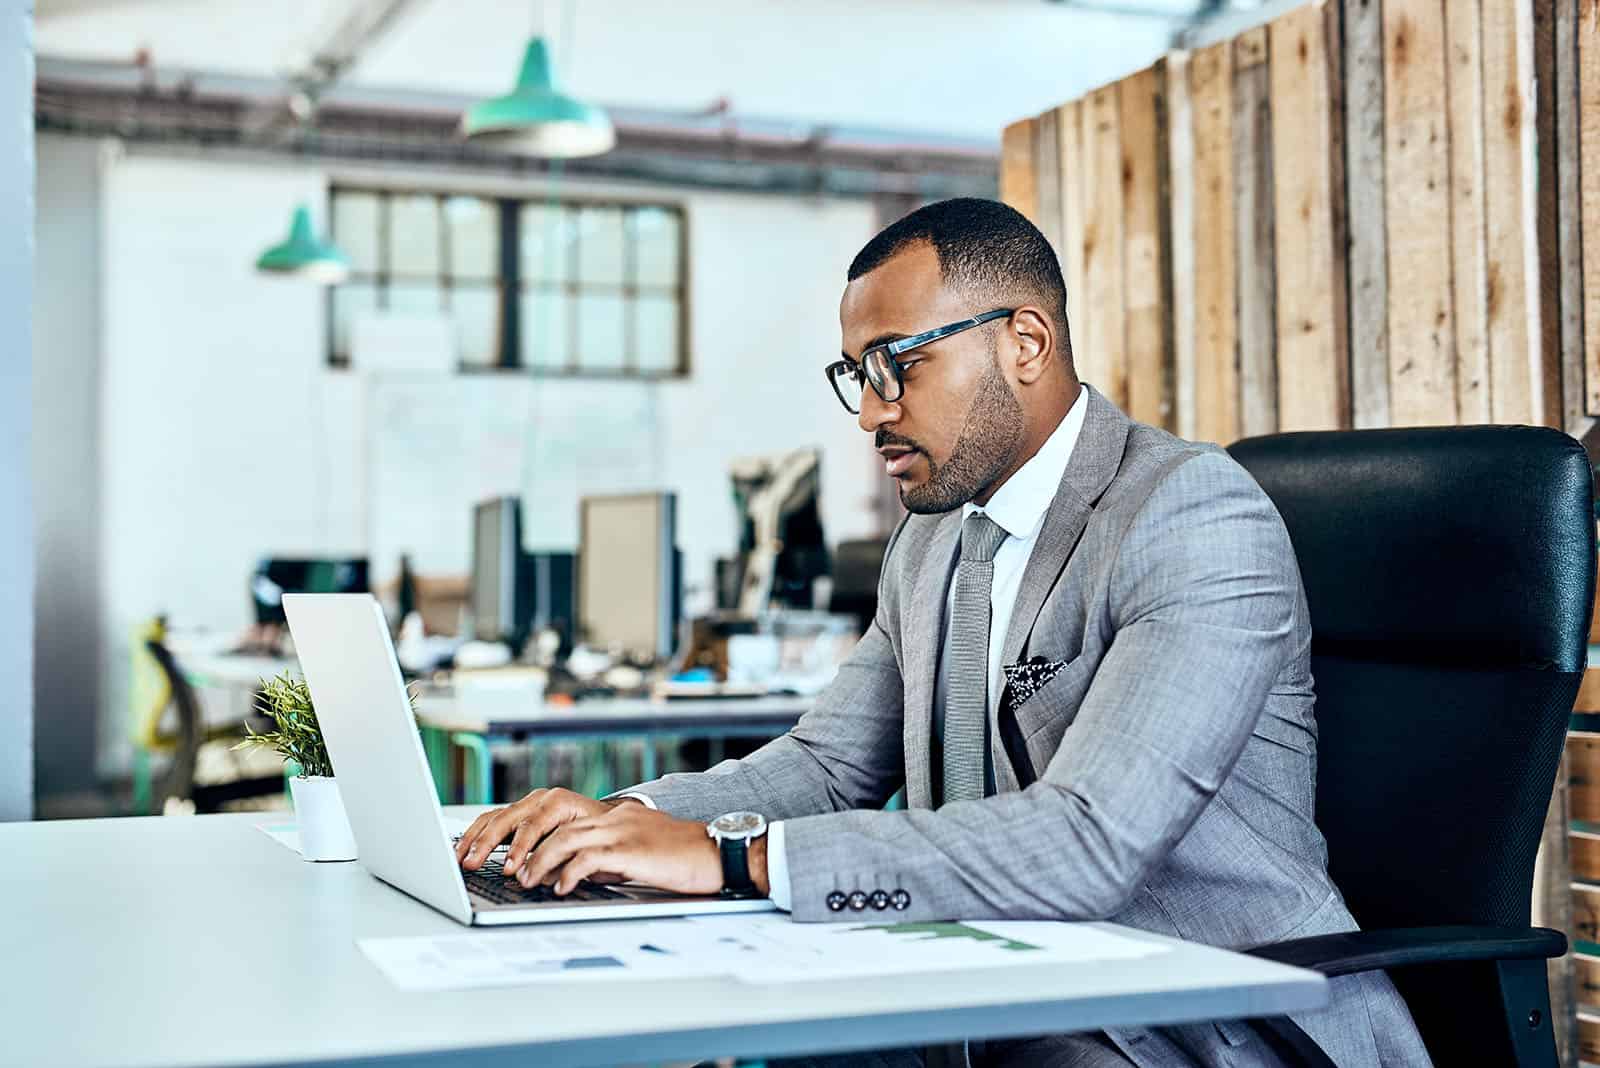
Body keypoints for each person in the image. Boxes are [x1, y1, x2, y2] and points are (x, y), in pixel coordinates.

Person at [453, 199, 1431, 1067]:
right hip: (1000, 980)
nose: (873, 411)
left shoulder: (1186, 515)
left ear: (1025, 343)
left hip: (1201, 1012)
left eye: (898, 366)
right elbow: (827, 766)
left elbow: (1089, 842)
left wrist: (737, 858)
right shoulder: (930, 543)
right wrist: (617, 819)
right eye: (856, 374)